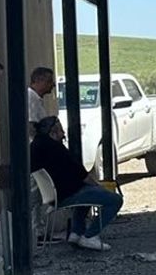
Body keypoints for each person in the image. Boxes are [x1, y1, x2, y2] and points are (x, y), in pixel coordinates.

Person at [30, 116, 123, 251]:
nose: (64, 134)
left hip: (53, 195)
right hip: (67, 194)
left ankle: (76, 232)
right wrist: (98, 186)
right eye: (61, 130)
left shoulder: (35, 146)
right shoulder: (56, 148)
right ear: (53, 132)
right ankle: (90, 235)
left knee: (87, 194)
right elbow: (82, 174)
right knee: (114, 200)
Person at [28, 67, 55, 138]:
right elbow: (31, 125)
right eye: (49, 81)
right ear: (38, 81)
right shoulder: (31, 98)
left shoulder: (36, 99)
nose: (53, 84)